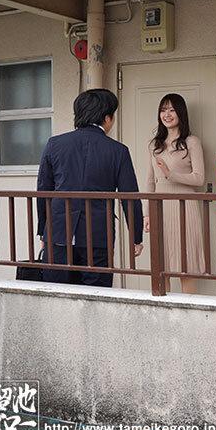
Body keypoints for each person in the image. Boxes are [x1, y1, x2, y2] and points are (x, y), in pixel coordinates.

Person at [37, 88, 144, 287]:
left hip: (58, 230)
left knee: (56, 292)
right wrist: (135, 237)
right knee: (97, 294)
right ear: (107, 118)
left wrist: (43, 230)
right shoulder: (118, 151)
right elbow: (130, 197)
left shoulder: (54, 144)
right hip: (98, 234)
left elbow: (44, 190)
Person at [143, 93, 206, 294]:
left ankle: (188, 309)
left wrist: (171, 174)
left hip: (185, 207)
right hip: (160, 207)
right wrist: (147, 214)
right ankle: (164, 309)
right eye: (163, 110)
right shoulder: (154, 144)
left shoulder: (191, 142)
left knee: (186, 265)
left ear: (181, 113)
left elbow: (199, 179)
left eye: (172, 110)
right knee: (161, 267)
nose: (167, 114)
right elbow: (150, 181)